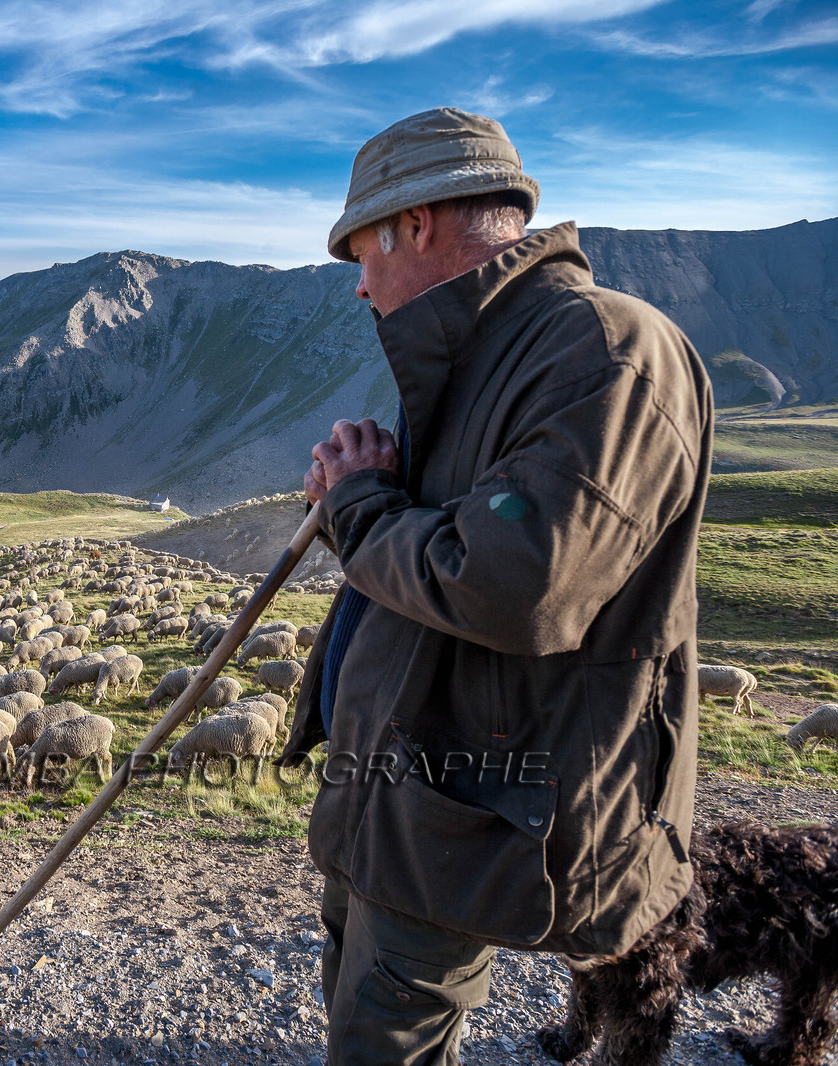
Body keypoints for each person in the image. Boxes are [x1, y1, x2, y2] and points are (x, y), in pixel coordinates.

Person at [276, 108, 713, 1065]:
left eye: (362, 251)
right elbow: (432, 548)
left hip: (465, 805)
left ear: (417, 226)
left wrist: (359, 509)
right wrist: (369, 489)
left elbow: (514, 586)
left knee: (386, 1037)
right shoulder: (474, 362)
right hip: (391, 788)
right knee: (358, 1003)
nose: (358, 284)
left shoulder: (605, 355)